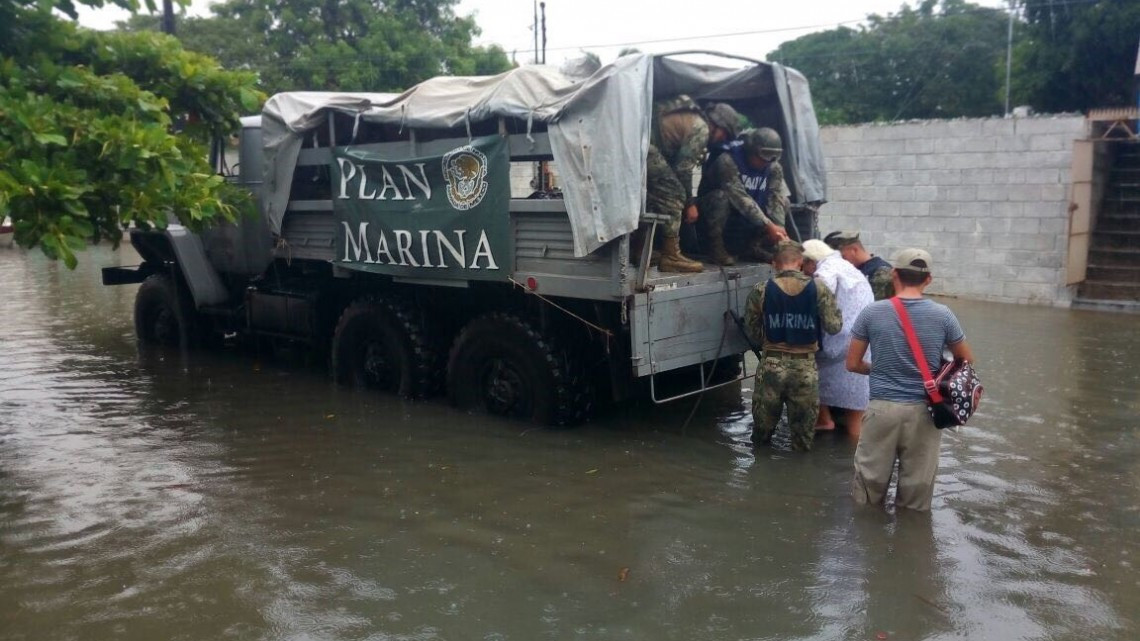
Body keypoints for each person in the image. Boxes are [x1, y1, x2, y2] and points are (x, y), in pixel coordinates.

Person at [845, 248, 975, 511]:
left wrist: (881, 369)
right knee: (917, 493)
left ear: (894, 274)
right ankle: (911, 535)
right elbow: (966, 360)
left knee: (867, 492)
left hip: (881, 410)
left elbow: (853, 364)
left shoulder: (872, 312)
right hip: (925, 413)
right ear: (928, 279)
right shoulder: (943, 315)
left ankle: (868, 533)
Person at [744, 240, 842, 451]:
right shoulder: (818, 288)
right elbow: (834, 327)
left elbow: (752, 331)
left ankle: (760, 469)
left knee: (761, 434)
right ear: (800, 262)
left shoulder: (761, 289)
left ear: (774, 263)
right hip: (805, 368)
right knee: (803, 438)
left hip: (770, 365)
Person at [645, 97, 741, 273]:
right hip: (645, 147)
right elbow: (683, 169)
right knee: (674, 193)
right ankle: (671, 256)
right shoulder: (701, 128)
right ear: (717, 125)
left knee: (653, 194)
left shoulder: (693, 119)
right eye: (725, 134)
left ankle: (640, 250)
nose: (723, 139)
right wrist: (690, 203)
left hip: (641, 145)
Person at [801, 239, 874, 438]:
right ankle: (831, 425)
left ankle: (827, 422)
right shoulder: (845, 266)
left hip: (841, 339)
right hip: (861, 339)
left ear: (810, 261)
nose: (804, 272)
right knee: (856, 400)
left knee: (808, 369)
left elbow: (821, 287)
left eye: (803, 267)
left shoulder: (826, 270)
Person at [697, 127, 790, 266]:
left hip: (749, 219)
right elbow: (738, 197)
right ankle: (716, 249)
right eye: (763, 157)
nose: (766, 162)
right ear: (751, 151)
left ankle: (754, 247)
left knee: (785, 202)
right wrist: (768, 225)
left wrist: (779, 231)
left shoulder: (773, 167)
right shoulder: (728, 160)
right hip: (721, 217)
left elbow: (775, 197)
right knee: (720, 197)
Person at [824, 230, 895, 301]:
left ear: (854, 250)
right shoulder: (853, 270)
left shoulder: (881, 271)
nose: (839, 261)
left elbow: (877, 305)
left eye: (842, 256)